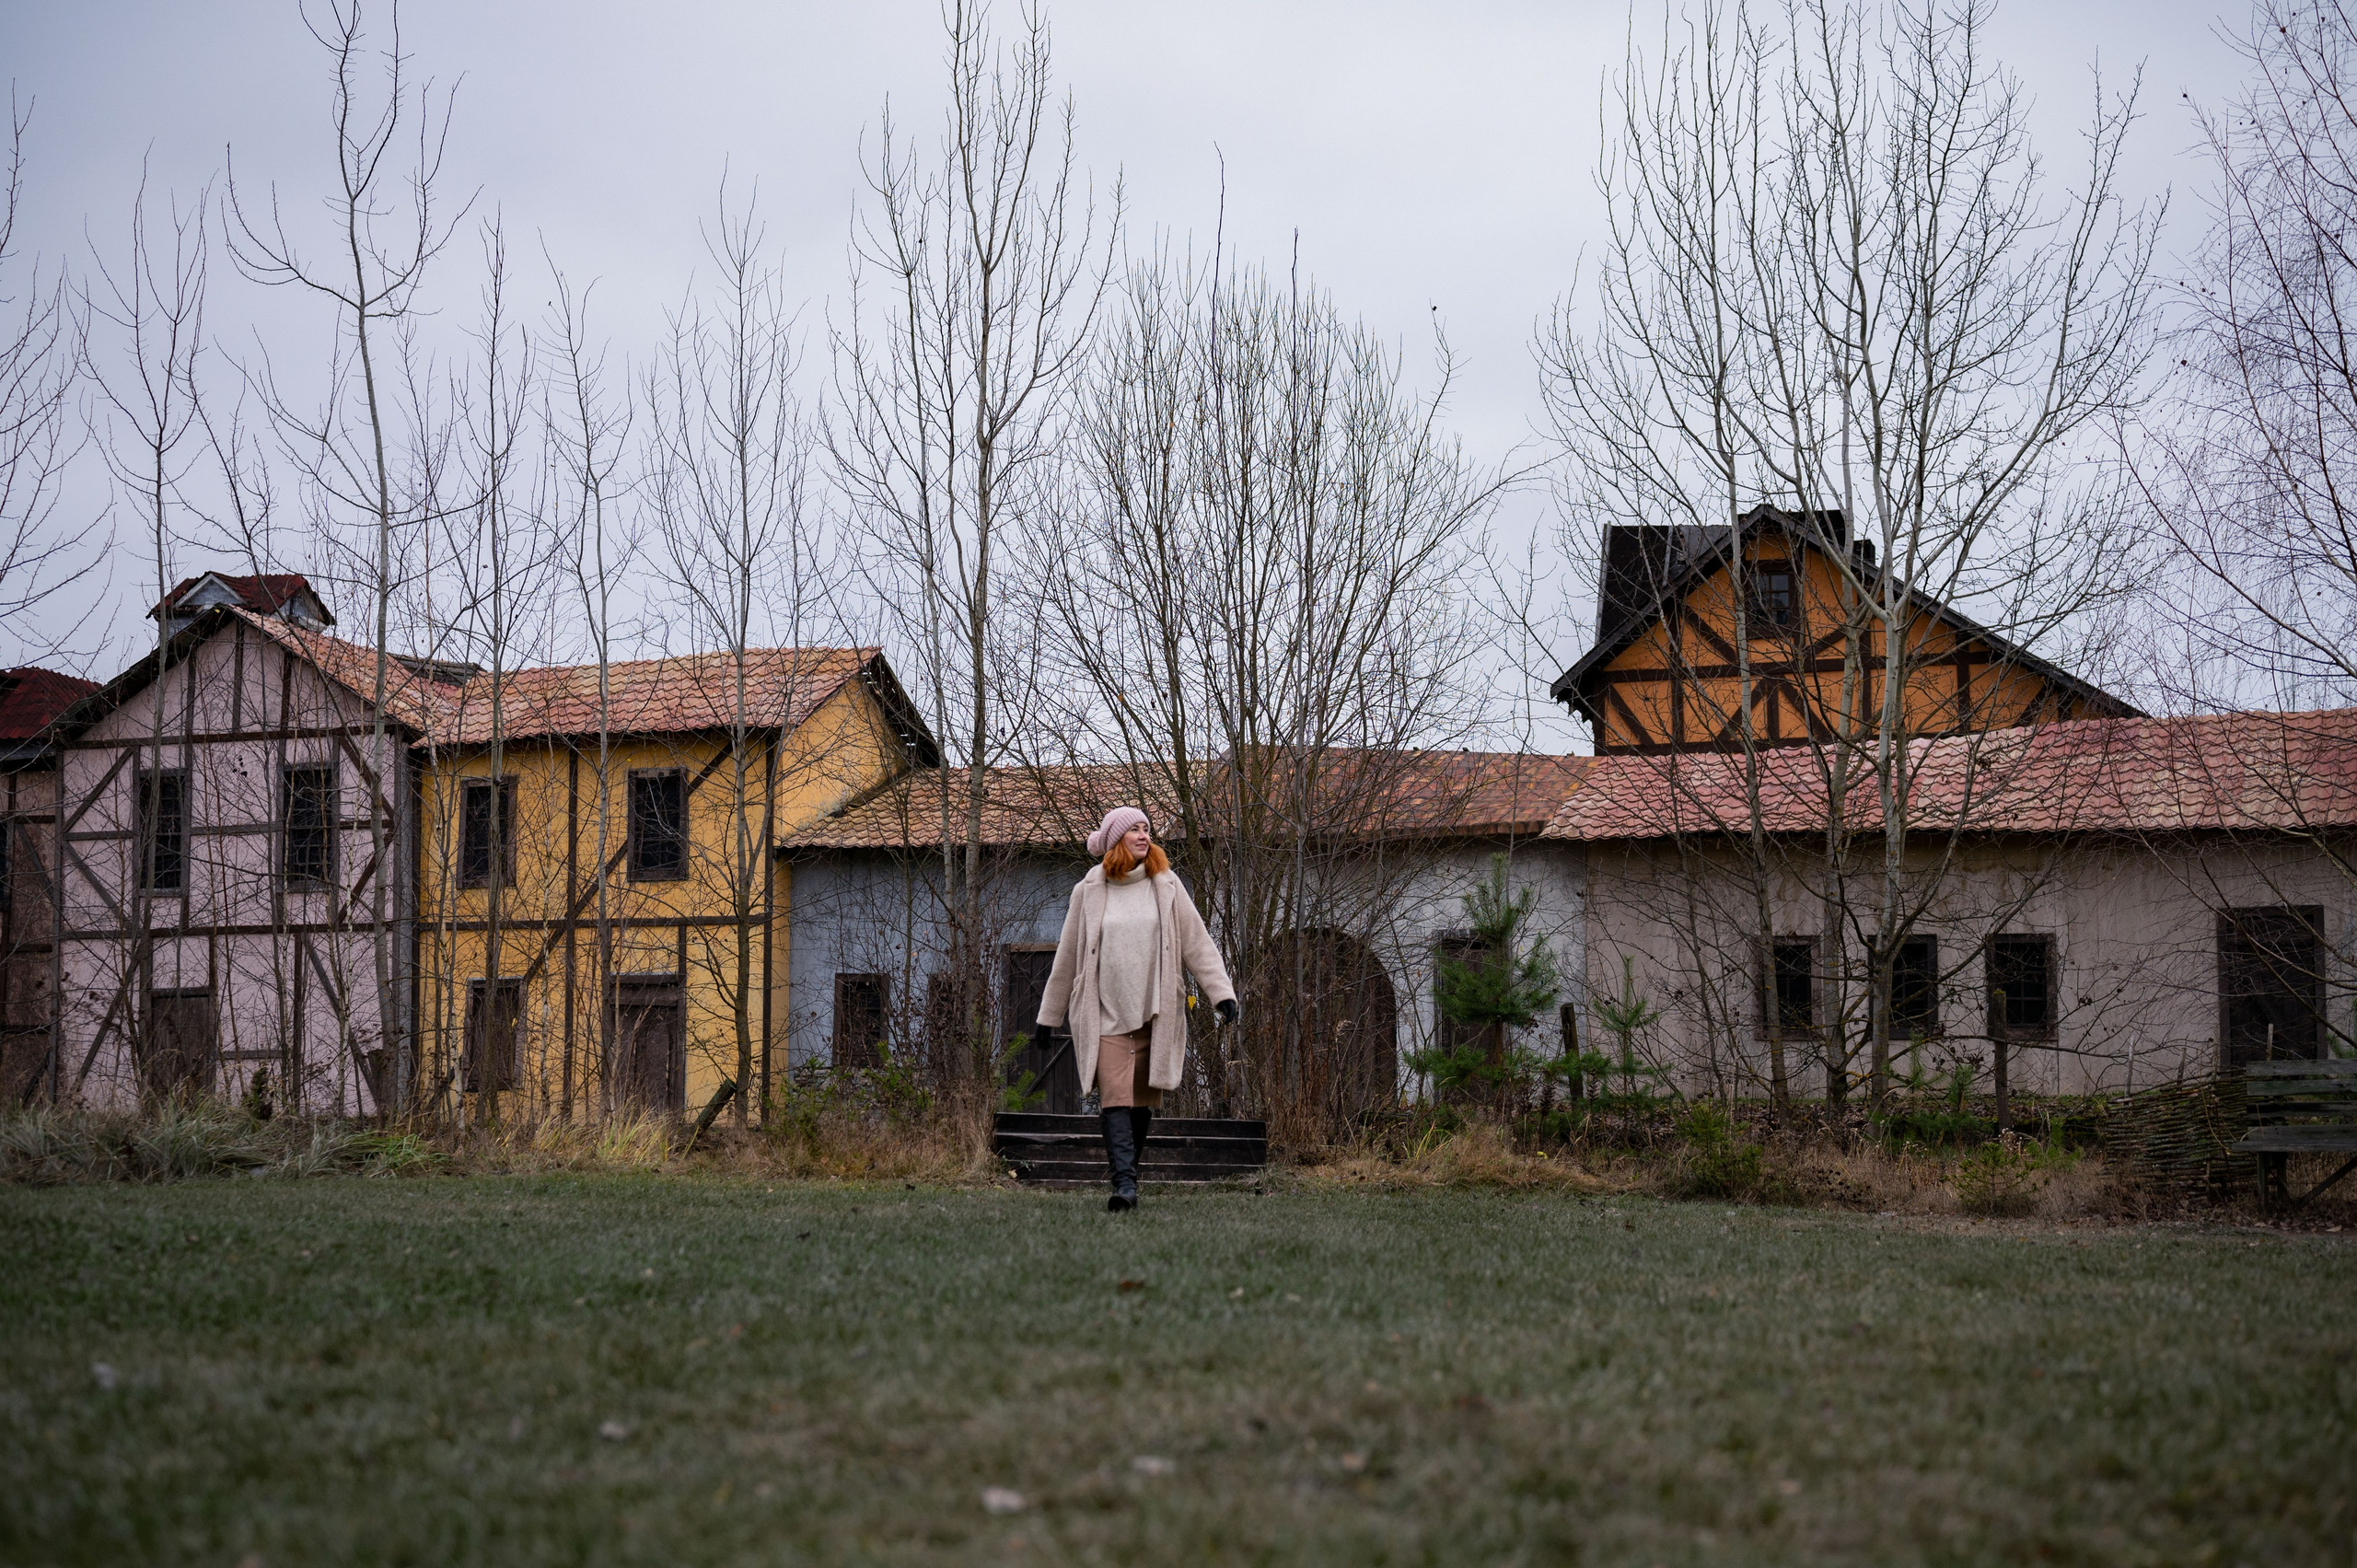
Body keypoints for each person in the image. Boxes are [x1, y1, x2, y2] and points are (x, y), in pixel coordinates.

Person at [1037, 806, 1239, 1211]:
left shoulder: (1165, 885)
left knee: (1143, 1102)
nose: (1144, 835)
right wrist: (1049, 1014)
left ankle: (1130, 1177)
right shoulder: (1089, 891)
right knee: (1114, 1098)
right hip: (1105, 1014)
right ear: (1116, 840)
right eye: (1134, 829)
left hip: (1154, 1012)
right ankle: (1124, 1186)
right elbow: (1068, 957)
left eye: (1146, 828)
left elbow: (1196, 942)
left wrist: (1221, 993)